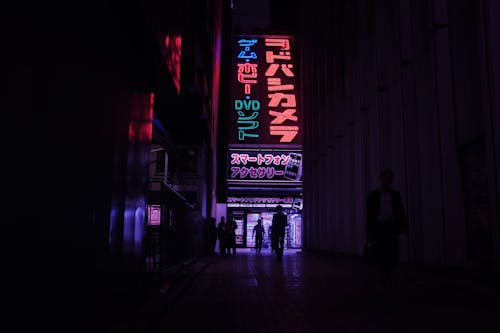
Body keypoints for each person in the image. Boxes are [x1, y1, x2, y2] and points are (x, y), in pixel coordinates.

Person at [366, 168, 408, 286]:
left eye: (390, 179)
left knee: (393, 250)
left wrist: (403, 227)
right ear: (381, 179)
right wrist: (370, 232)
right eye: (386, 178)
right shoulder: (373, 195)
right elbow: (370, 215)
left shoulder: (395, 195)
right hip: (380, 226)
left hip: (391, 225)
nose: (388, 181)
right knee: (382, 250)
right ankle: (385, 274)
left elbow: (400, 211)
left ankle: (388, 273)